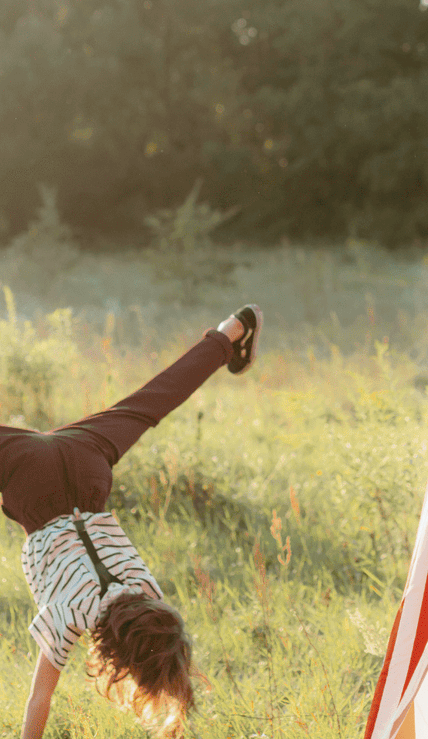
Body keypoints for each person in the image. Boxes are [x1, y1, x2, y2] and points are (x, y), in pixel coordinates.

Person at [0, 305, 263, 739]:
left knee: (153, 399)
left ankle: (231, 331)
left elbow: (161, 641)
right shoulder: (69, 619)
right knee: (152, 401)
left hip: (85, 463)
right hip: (34, 489)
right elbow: (38, 701)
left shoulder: (151, 595)